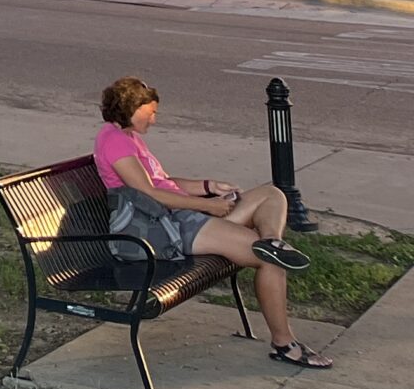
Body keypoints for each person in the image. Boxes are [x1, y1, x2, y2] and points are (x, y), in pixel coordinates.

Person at [95, 76, 329, 370]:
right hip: (167, 229)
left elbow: (164, 183)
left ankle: (273, 240)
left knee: (271, 195)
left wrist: (209, 185)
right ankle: (284, 344)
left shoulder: (127, 137)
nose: (154, 119)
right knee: (268, 261)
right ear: (130, 107)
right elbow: (152, 194)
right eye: (150, 112)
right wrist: (209, 205)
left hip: (182, 218)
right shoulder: (114, 142)